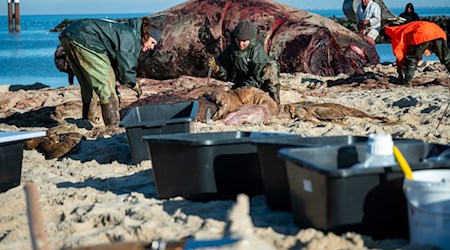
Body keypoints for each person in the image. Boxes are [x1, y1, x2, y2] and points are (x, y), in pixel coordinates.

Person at [59, 17, 161, 126]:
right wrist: (134, 84)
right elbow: (126, 68)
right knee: (107, 90)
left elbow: (115, 66)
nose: (152, 47)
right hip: (87, 39)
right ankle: (113, 127)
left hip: (70, 34)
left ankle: (87, 120)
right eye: (152, 42)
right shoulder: (131, 38)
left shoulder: (125, 30)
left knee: (88, 84)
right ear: (146, 35)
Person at [207, 20, 281, 104]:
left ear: (250, 39)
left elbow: (256, 78)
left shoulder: (256, 51)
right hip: (240, 81)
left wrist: (245, 88)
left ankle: (275, 102)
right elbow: (226, 72)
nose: (241, 44)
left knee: (271, 67)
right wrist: (216, 68)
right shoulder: (231, 49)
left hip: (258, 83)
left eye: (244, 41)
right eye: (238, 40)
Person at [385, 21, 450, 87]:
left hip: (423, 32)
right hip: (438, 31)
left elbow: (400, 52)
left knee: (412, 58)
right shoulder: (404, 28)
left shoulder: (396, 33)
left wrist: (399, 67)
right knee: (446, 57)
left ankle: (407, 82)